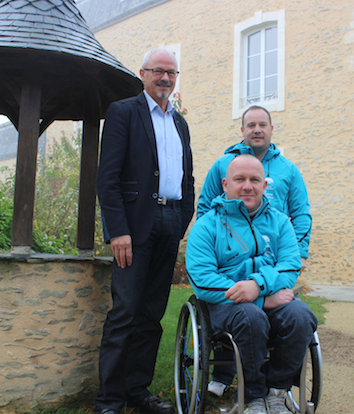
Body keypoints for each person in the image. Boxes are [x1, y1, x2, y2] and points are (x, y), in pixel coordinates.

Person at [95, 48, 195, 414]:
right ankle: (109, 401)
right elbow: (107, 179)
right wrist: (117, 231)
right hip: (134, 227)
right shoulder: (123, 112)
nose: (166, 78)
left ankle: (138, 392)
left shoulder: (180, 123)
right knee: (125, 313)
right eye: (158, 71)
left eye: (172, 72)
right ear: (143, 73)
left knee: (152, 316)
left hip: (170, 224)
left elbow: (187, 178)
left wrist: (183, 219)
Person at [186, 155, 317, 414]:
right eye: (240, 179)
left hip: (270, 295)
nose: (248, 186)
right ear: (225, 184)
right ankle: (254, 395)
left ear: (265, 185)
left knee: (301, 316)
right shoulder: (206, 226)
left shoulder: (280, 222)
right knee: (251, 317)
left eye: (255, 180)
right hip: (226, 302)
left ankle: (276, 391)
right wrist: (259, 299)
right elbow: (202, 280)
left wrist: (257, 287)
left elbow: (289, 266)